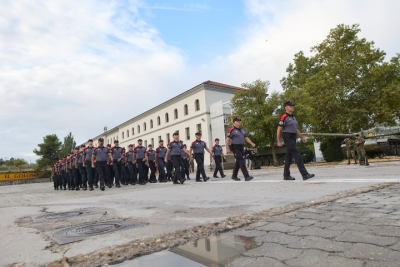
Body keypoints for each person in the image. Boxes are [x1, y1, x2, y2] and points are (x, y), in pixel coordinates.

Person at [277, 101, 315, 181]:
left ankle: (286, 175)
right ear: (286, 107)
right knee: (297, 155)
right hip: (287, 137)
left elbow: (296, 129)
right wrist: (278, 141)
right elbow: (279, 129)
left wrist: (301, 137)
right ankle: (304, 174)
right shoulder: (284, 117)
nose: (292, 107)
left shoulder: (293, 117)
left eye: (292, 106)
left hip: (293, 137)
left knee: (288, 157)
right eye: (290, 106)